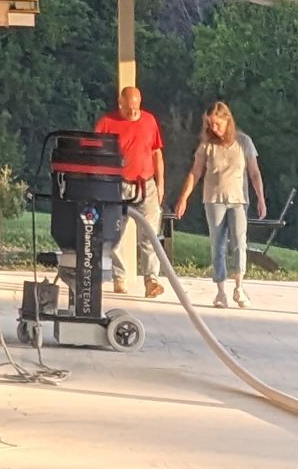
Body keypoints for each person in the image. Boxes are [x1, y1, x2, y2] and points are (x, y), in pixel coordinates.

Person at [173, 101, 265, 307]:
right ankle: (220, 291)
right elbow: (195, 172)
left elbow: (254, 172)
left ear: (227, 121)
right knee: (218, 244)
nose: (213, 128)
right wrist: (183, 198)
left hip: (238, 200)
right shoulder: (207, 145)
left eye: (217, 124)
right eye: (210, 125)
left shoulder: (244, 142)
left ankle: (239, 287)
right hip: (214, 200)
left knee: (240, 242)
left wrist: (260, 197)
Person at [92, 84, 167, 296]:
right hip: (119, 184)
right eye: (129, 108)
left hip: (147, 183)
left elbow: (157, 154)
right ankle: (119, 277)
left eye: (136, 107)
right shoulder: (107, 123)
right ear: (120, 103)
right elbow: (96, 154)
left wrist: (161, 184)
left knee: (150, 234)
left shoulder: (149, 121)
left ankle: (151, 280)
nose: (133, 112)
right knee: (115, 232)